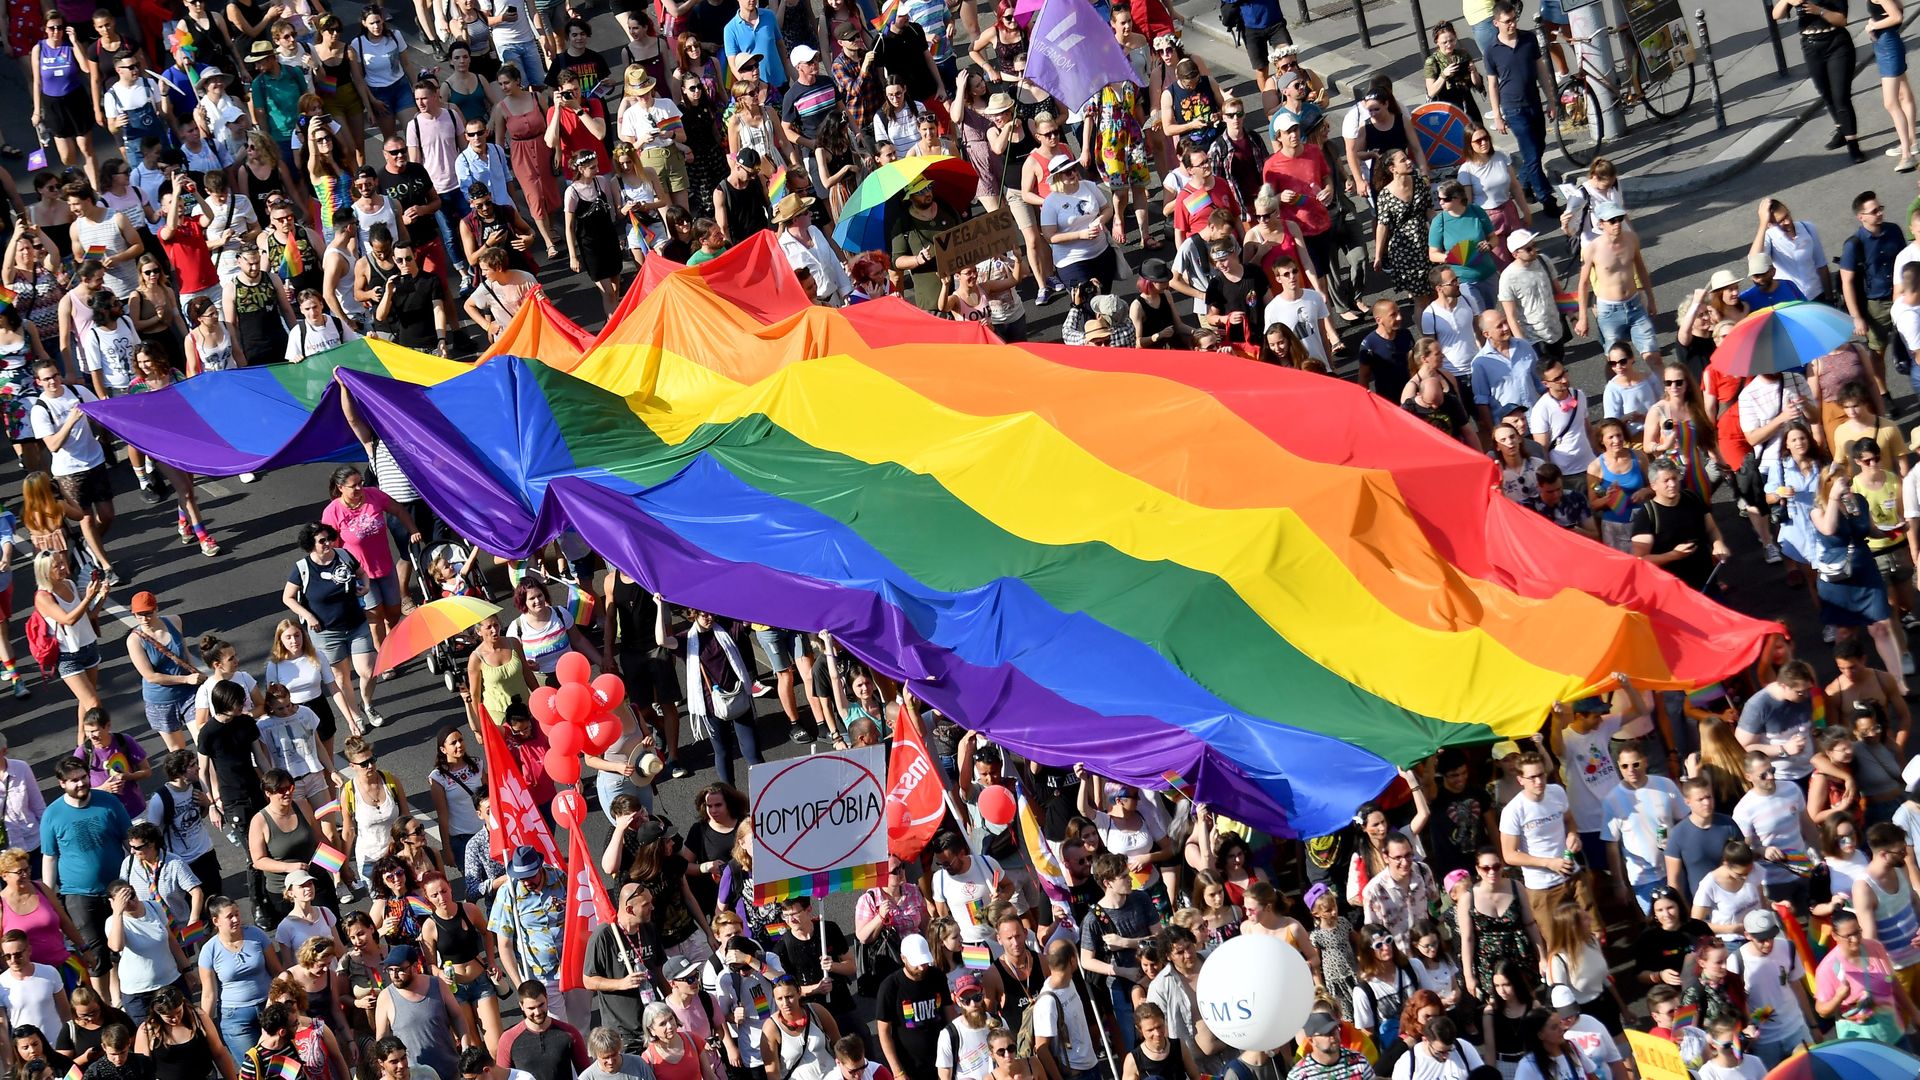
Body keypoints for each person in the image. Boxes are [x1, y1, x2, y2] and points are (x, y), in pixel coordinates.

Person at [44, 754, 132, 996]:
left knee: (118, 947)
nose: (81, 783)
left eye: (84, 777)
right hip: (78, 895)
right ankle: (103, 1004)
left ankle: (117, 1001)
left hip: (116, 889)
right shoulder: (52, 814)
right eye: (74, 781)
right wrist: (50, 899)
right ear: (61, 783)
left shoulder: (109, 803)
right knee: (95, 952)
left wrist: (135, 879)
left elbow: (128, 841)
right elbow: (50, 858)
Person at [1773, 0, 1868, 162]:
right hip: (1811, 46)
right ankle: (1841, 130)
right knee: (1825, 92)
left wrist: (1820, 11)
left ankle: (1853, 145)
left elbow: (1842, 20)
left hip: (1837, 44)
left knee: (1841, 97)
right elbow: (1776, 15)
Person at [1815, 906, 1920, 1042]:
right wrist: (1839, 997)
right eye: (1848, 936)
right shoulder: (1827, 968)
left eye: (1857, 932)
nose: (1855, 939)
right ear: (1835, 936)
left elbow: (1891, 980)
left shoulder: (1874, 947)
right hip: (1862, 1043)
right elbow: (1821, 1010)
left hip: (1893, 1032)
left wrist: (1914, 1012)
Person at [1842, 191, 1904, 382]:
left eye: (1880, 209)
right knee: (1878, 351)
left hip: (1902, 296)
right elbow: (1847, 282)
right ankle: (1883, 393)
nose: (1879, 213)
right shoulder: (1854, 244)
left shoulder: (1893, 230)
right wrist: (1857, 317)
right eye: (1874, 211)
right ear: (1861, 217)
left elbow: (1906, 262)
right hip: (1876, 305)